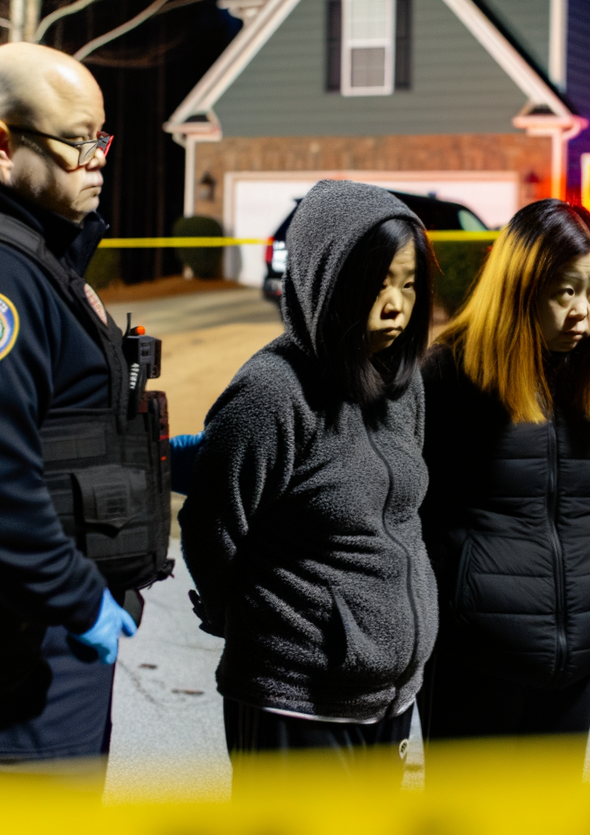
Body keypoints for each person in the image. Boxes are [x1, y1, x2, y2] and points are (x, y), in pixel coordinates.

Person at [0, 43, 171, 772]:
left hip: (31, 639)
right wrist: (80, 601)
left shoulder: (28, 255)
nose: (98, 161)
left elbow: (58, 433)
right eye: (78, 143)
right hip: (8, 652)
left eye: (101, 139)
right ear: (0, 142)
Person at [179, 180, 438, 781]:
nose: (396, 304)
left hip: (390, 699)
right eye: (377, 285)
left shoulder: (405, 383)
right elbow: (210, 523)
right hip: (296, 700)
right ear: (327, 281)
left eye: (408, 283)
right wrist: (254, 624)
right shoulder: (272, 393)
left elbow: (401, 518)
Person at [419, 199, 590, 748]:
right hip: (476, 653)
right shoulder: (451, 373)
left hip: (580, 649)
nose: (582, 312)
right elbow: (418, 509)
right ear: (520, 286)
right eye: (565, 291)